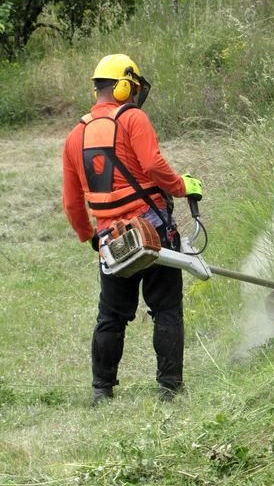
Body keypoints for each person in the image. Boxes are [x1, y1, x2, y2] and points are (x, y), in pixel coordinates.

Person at [62, 53, 202, 405]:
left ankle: (101, 391)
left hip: (112, 241)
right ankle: (170, 389)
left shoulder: (74, 136)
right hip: (152, 231)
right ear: (125, 86)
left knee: (111, 316)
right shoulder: (133, 118)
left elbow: (72, 203)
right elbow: (154, 165)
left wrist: (91, 237)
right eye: (135, 88)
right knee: (166, 309)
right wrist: (183, 186)